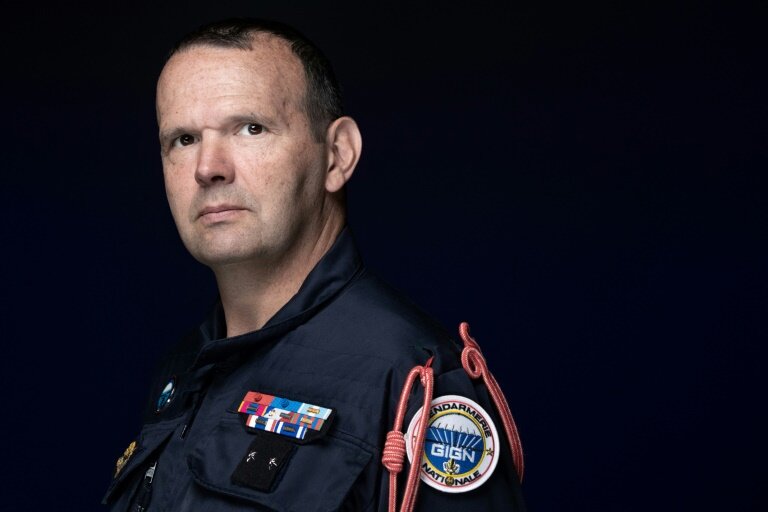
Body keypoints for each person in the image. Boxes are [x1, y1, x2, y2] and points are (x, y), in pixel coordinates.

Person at [103, 18, 526, 511]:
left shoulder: (415, 382)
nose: (207, 167)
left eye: (251, 128)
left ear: (336, 157)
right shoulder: (185, 370)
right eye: (183, 139)